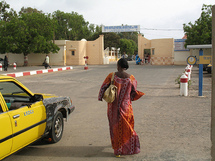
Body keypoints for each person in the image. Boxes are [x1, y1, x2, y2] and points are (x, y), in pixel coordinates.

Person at [98, 58, 144, 157]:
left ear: (118, 65)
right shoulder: (131, 78)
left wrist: (100, 97)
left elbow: (103, 87)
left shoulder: (112, 76)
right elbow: (133, 93)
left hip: (113, 108)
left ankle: (117, 150)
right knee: (127, 126)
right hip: (126, 108)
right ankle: (129, 146)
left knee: (114, 127)